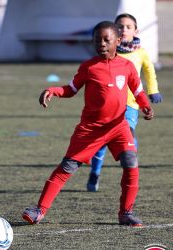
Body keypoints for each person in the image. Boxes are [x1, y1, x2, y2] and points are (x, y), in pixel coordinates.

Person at [22, 21, 154, 227]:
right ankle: (39, 210)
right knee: (67, 167)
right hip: (90, 129)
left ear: (117, 41)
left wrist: (145, 105)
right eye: (96, 40)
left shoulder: (126, 67)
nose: (101, 43)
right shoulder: (88, 67)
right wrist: (53, 91)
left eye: (106, 40)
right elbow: (71, 89)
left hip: (119, 127)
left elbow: (137, 90)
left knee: (131, 164)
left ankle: (126, 213)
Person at [86, 13, 163, 192]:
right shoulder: (108, 51)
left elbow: (149, 72)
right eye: (120, 26)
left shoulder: (141, 53)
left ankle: (130, 168)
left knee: (128, 134)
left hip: (130, 104)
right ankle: (95, 172)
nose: (124, 30)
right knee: (101, 142)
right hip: (106, 105)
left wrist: (153, 91)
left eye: (129, 27)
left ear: (136, 30)